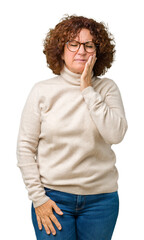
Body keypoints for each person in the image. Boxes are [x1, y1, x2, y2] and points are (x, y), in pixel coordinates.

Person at [16, 14, 128, 240]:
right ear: (61, 50)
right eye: (73, 44)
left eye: (89, 45)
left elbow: (115, 134)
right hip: (53, 200)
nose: (81, 51)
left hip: (101, 201)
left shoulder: (106, 89)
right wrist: (39, 199)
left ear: (98, 51)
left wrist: (87, 89)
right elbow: (25, 148)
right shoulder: (42, 91)